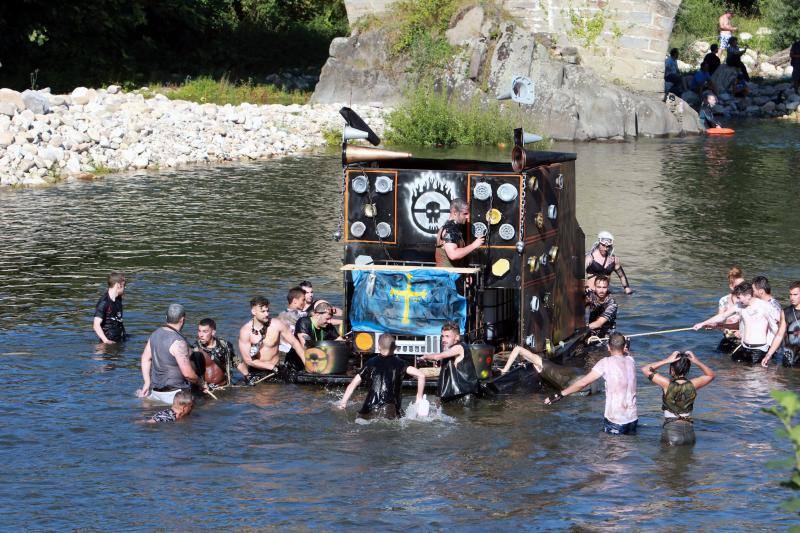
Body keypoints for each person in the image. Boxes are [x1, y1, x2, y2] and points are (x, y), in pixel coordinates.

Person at [544, 333, 638, 436]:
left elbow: (583, 382)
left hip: (616, 420)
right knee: (627, 449)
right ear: (624, 347)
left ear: (608, 347)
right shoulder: (631, 360)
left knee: (612, 450)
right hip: (632, 418)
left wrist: (560, 394)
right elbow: (627, 353)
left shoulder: (606, 363)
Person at [337, 333, 426, 419]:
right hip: (390, 410)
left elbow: (353, 384)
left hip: (368, 409)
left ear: (379, 347)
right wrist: (419, 398)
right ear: (395, 348)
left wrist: (343, 403)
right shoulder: (401, 363)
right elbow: (421, 376)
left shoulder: (369, 363)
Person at [136, 304, 207, 404]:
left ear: (166, 318)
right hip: (175, 395)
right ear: (182, 320)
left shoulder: (155, 334)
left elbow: (145, 358)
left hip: (155, 393)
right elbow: (188, 374)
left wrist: (147, 382)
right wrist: (201, 383)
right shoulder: (178, 342)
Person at [641, 351, 715, 446]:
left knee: (665, 460)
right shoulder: (694, 384)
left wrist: (667, 360)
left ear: (672, 369)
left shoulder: (666, 384)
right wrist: (697, 361)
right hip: (689, 433)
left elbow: (645, 369)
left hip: (671, 432)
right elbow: (711, 375)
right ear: (687, 369)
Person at [694, 282, 778, 364]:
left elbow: (780, 325)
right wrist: (702, 323)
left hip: (759, 349)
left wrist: (772, 350)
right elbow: (722, 316)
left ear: (748, 296)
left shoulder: (765, 306)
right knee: (734, 367)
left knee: (753, 375)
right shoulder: (739, 306)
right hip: (744, 346)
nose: (737, 300)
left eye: (739, 297)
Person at [236, 296, 305, 385]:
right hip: (257, 371)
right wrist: (270, 367)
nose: (267, 314)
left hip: (277, 369)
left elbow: (295, 343)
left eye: (267, 310)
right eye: (263, 311)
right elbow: (248, 360)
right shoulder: (245, 331)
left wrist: (306, 363)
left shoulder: (277, 324)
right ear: (254, 312)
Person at [421, 322, 479, 402]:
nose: (443, 340)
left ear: (457, 337)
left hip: (464, 397)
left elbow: (437, 357)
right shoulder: (450, 349)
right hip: (453, 395)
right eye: (443, 336)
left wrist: (425, 357)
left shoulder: (459, 347)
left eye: (447, 336)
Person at [435, 198, 484, 268]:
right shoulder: (450, 229)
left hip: (452, 276)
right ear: (455, 212)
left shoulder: (452, 228)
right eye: (465, 213)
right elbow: (453, 255)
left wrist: (465, 272)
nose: (468, 217)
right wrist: (474, 245)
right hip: (447, 276)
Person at [763, 281, 800, 368]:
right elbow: (779, 335)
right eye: (790, 294)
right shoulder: (785, 312)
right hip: (789, 355)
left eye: (795, 295)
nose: (792, 297)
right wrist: (769, 354)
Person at [193, 318, 237, 387]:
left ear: (213, 332)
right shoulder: (196, 350)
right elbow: (191, 373)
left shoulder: (224, 345)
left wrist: (247, 376)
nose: (200, 335)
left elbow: (236, 361)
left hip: (225, 387)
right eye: (199, 331)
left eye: (205, 331)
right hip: (206, 390)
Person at [717, 266, 745, 353]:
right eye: (738, 286)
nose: (742, 288)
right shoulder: (723, 300)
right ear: (731, 286)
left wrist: (740, 332)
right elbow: (719, 321)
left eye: (743, 285)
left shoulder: (746, 300)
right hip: (728, 336)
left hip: (744, 339)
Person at [93, 272, 126, 344]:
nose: (124, 288)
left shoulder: (118, 299)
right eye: (124, 286)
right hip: (109, 343)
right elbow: (96, 325)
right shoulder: (104, 302)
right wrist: (106, 341)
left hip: (120, 340)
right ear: (118, 285)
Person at [278, 287, 308, 353]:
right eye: (303, 300)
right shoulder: (297, 315)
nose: (304, 303)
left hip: (281, 348)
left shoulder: (281, 314)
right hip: (292, 350)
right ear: (295, 301)